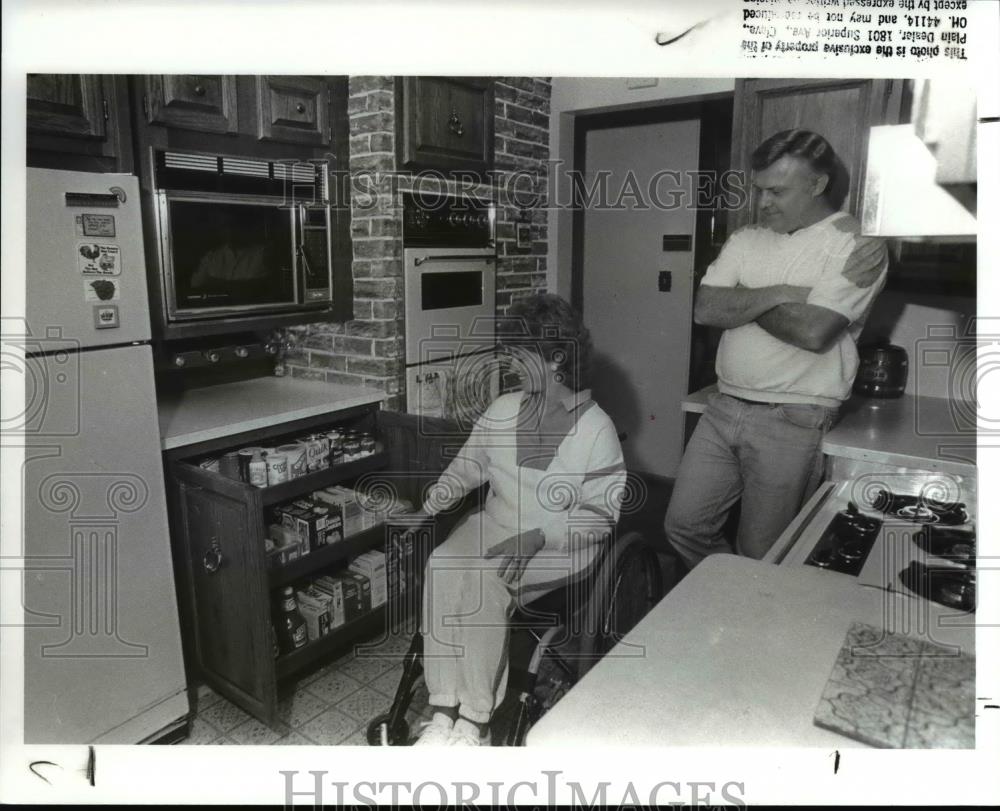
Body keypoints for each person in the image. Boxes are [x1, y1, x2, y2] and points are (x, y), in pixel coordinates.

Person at [664, 129, 888, 570]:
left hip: (794, 418)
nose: (763, 202)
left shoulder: (854, 244)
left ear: (817, 184)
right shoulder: (747, 238)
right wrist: (782, 291)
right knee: (683, 526)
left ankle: (743, 628)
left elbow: (813, 331)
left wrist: (742, 299)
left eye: (777, 191)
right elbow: (705, 308)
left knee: (763, 555)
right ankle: (729, 609)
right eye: (759, 189)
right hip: (723, 406)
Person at [413, 294, 626, 746]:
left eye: (518, 353)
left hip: (560, 543)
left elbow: (601, 515)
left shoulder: (597, 429)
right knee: (443, 563)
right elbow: (469, 467)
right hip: (496, 523)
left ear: (554, 360)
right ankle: (442, 709)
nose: (508, 363)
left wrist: (538, 535)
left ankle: (475, 720)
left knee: (488, 579)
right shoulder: (503, 409)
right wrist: (429, 505)